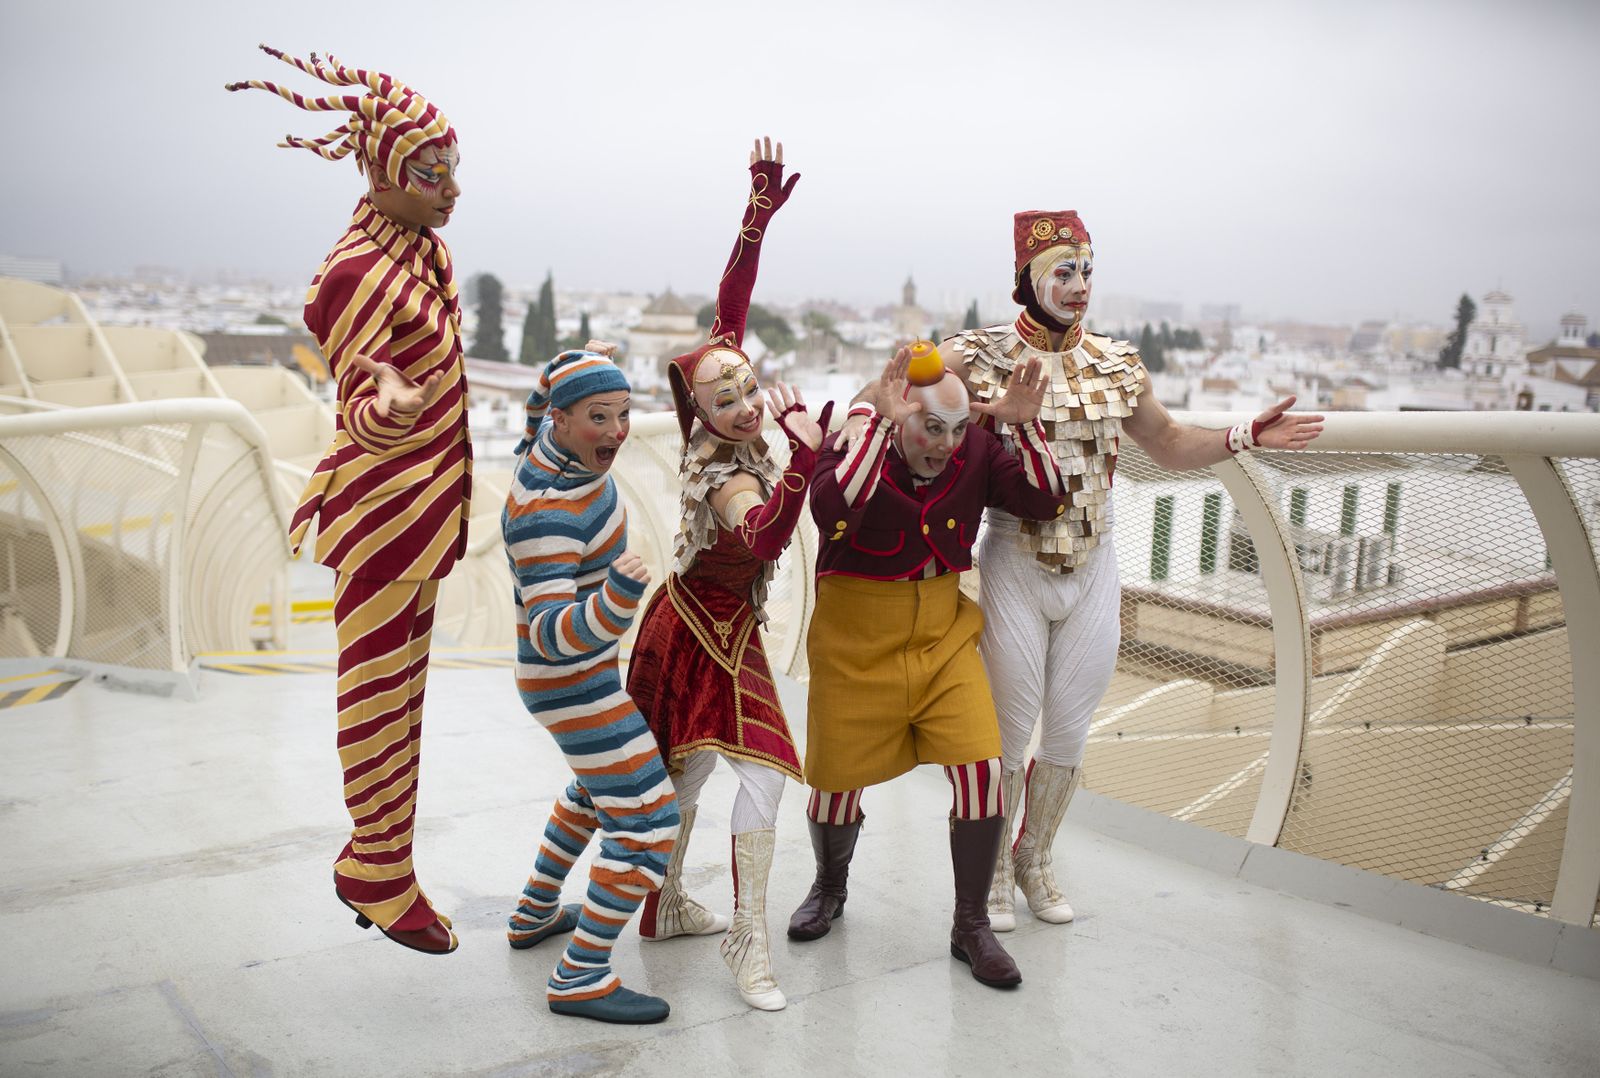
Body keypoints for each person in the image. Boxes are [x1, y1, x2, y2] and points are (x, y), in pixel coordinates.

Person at [943, 210, 1324, 932]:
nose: (1079, 285)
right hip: (1014, 555)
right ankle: (989, 871)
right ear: (1026, 277)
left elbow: (1172, 443)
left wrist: (1248, 434)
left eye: (1087, 269)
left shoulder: (1117, 363)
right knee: (1004, 731)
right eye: (1063, 270)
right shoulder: (975, 353)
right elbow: (903, 408)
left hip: (1095, 560)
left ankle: (1035, 859)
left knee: (1068, 734)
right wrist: (992, 412)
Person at [228, 45, 469, 955]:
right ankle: (374, 865)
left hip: (421, 516)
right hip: (381, 516)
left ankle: (387, 861)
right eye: (431, 174)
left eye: (453, 173)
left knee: (404, 697)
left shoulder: (415, 247)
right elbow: (358, 393)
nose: (450, 191)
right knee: (375, 694)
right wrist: (387, 410)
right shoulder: (359, 270)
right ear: (383, 171)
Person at [790, 348, 1064, 989]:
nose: (945, 444)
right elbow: (831, 512)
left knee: (980, 770)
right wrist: (877, 426)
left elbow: (1045, 501)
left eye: (958, 427)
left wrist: (1021, 425)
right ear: (901, 416)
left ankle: (971, 925)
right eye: (930, 427)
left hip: (943, 633)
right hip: (855, 637)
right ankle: (830, 887)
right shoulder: (856, 442)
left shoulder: (976, 453)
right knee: (833, 784)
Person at [626, 139, 826, 1012]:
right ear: (700, 412)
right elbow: (771, 536)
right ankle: (745, 939)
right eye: (729, 397)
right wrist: (804, 468)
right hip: (705, 628)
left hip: (700, 620)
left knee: (690, 773)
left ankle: (664, 902)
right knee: (757, 772)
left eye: (749, 387)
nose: (747, 401)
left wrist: (755, 218)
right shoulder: (734, 473)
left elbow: (728, 312)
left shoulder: (719, 420)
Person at [501, 350, 681, 1024]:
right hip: (570, 679)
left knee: (594, 789)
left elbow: (550, 384)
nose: (617, 430)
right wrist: (619, 597)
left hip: (578, 676)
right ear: (562, 419)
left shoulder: (548, 452)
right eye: (599, 418)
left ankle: (532, 913)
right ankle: (580, 976)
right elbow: (551, 634)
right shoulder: (548, 508)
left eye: (625, 414)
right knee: (648, 822)